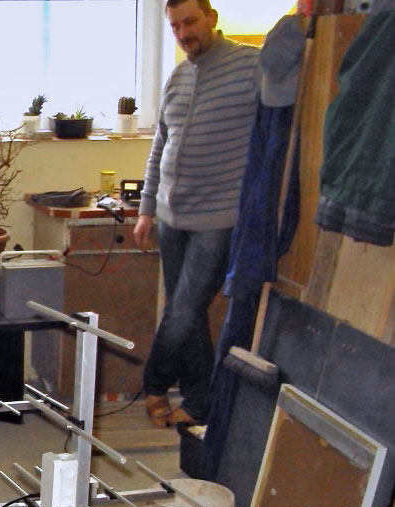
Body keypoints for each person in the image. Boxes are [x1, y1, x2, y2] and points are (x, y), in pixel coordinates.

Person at [133, 0, 261, 428]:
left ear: (212, 18)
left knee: (183, 312)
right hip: (171, 217)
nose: (183, 33)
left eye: (190, 22)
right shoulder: (178, 75)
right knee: (188, 315)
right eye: (175, 27)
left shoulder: (251, 65)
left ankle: (154, 384)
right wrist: (146, 209)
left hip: (218, 219)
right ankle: (200, 400)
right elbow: (160, 145)